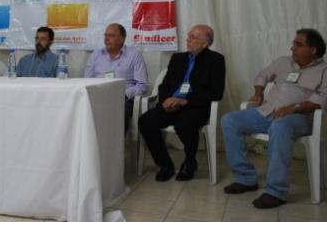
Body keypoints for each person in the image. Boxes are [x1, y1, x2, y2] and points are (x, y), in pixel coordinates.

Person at [221, 28, 327, 209]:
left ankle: (276, 192)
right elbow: (262, 75)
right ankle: (245, 178)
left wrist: (294, 107)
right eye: (293, 44)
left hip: (300, 118)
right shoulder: (283, 62)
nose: (292, 48)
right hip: (267, 111)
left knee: (279, 127)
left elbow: (323, 99)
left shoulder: (324, 70)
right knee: (230, 120)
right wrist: (258, 92)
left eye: (298, 45)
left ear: (313, 49)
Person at [138, 24, 225, 182]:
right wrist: (165, 100)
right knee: (145, 121)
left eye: (193, 37)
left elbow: (216, 92)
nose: (188, 40)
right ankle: (165, 165)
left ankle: (190, 163)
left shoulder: (216, 60)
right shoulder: (178, 58)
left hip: (195, 107)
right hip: (171, 104)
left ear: (206, 43)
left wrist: (185, 100)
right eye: (189, 36)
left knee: (184, 124)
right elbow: (165, 85)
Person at [85, 23, 148, 134]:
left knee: (120, 110)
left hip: (123, 98)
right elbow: (87, 80)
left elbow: (142, 85)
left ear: (122, 39)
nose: (106, 39)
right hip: (98, 96)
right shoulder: (96, 55)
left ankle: (115, 143)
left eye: (111, 35)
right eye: (105, 35)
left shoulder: (134, 55)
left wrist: (123, 94)